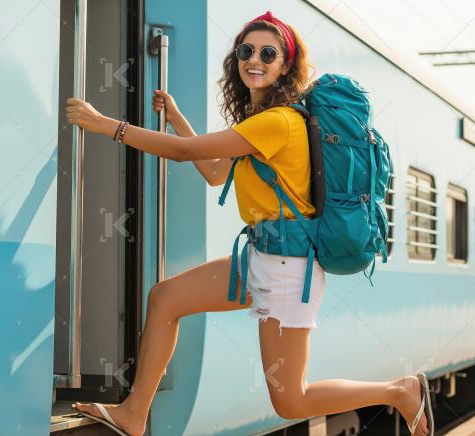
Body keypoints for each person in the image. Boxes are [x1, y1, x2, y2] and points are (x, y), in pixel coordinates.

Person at [67, 10, 431, 436]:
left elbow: (185, 154)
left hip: (288, 268)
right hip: (262, 255)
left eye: (267, 53)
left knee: (290, 399)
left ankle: (400, 390)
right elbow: (215, 171)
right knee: (165, 299)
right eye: (246, 51)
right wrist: (177, 120)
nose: (254, 60)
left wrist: (106, 125)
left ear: (286, 66)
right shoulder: (262, 124)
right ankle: (134, 413)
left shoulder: (279, 122)